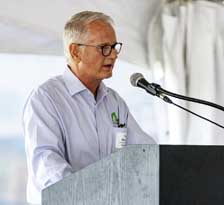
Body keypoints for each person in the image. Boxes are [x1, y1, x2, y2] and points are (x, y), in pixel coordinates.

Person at [23, 11, 156, 204]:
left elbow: (145, 152)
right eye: (104, 48)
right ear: (76, 51)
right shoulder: (46, 99)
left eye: (114, 47)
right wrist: (91, 195)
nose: (113, 55)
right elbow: (47, 165)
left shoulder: (114, 102)